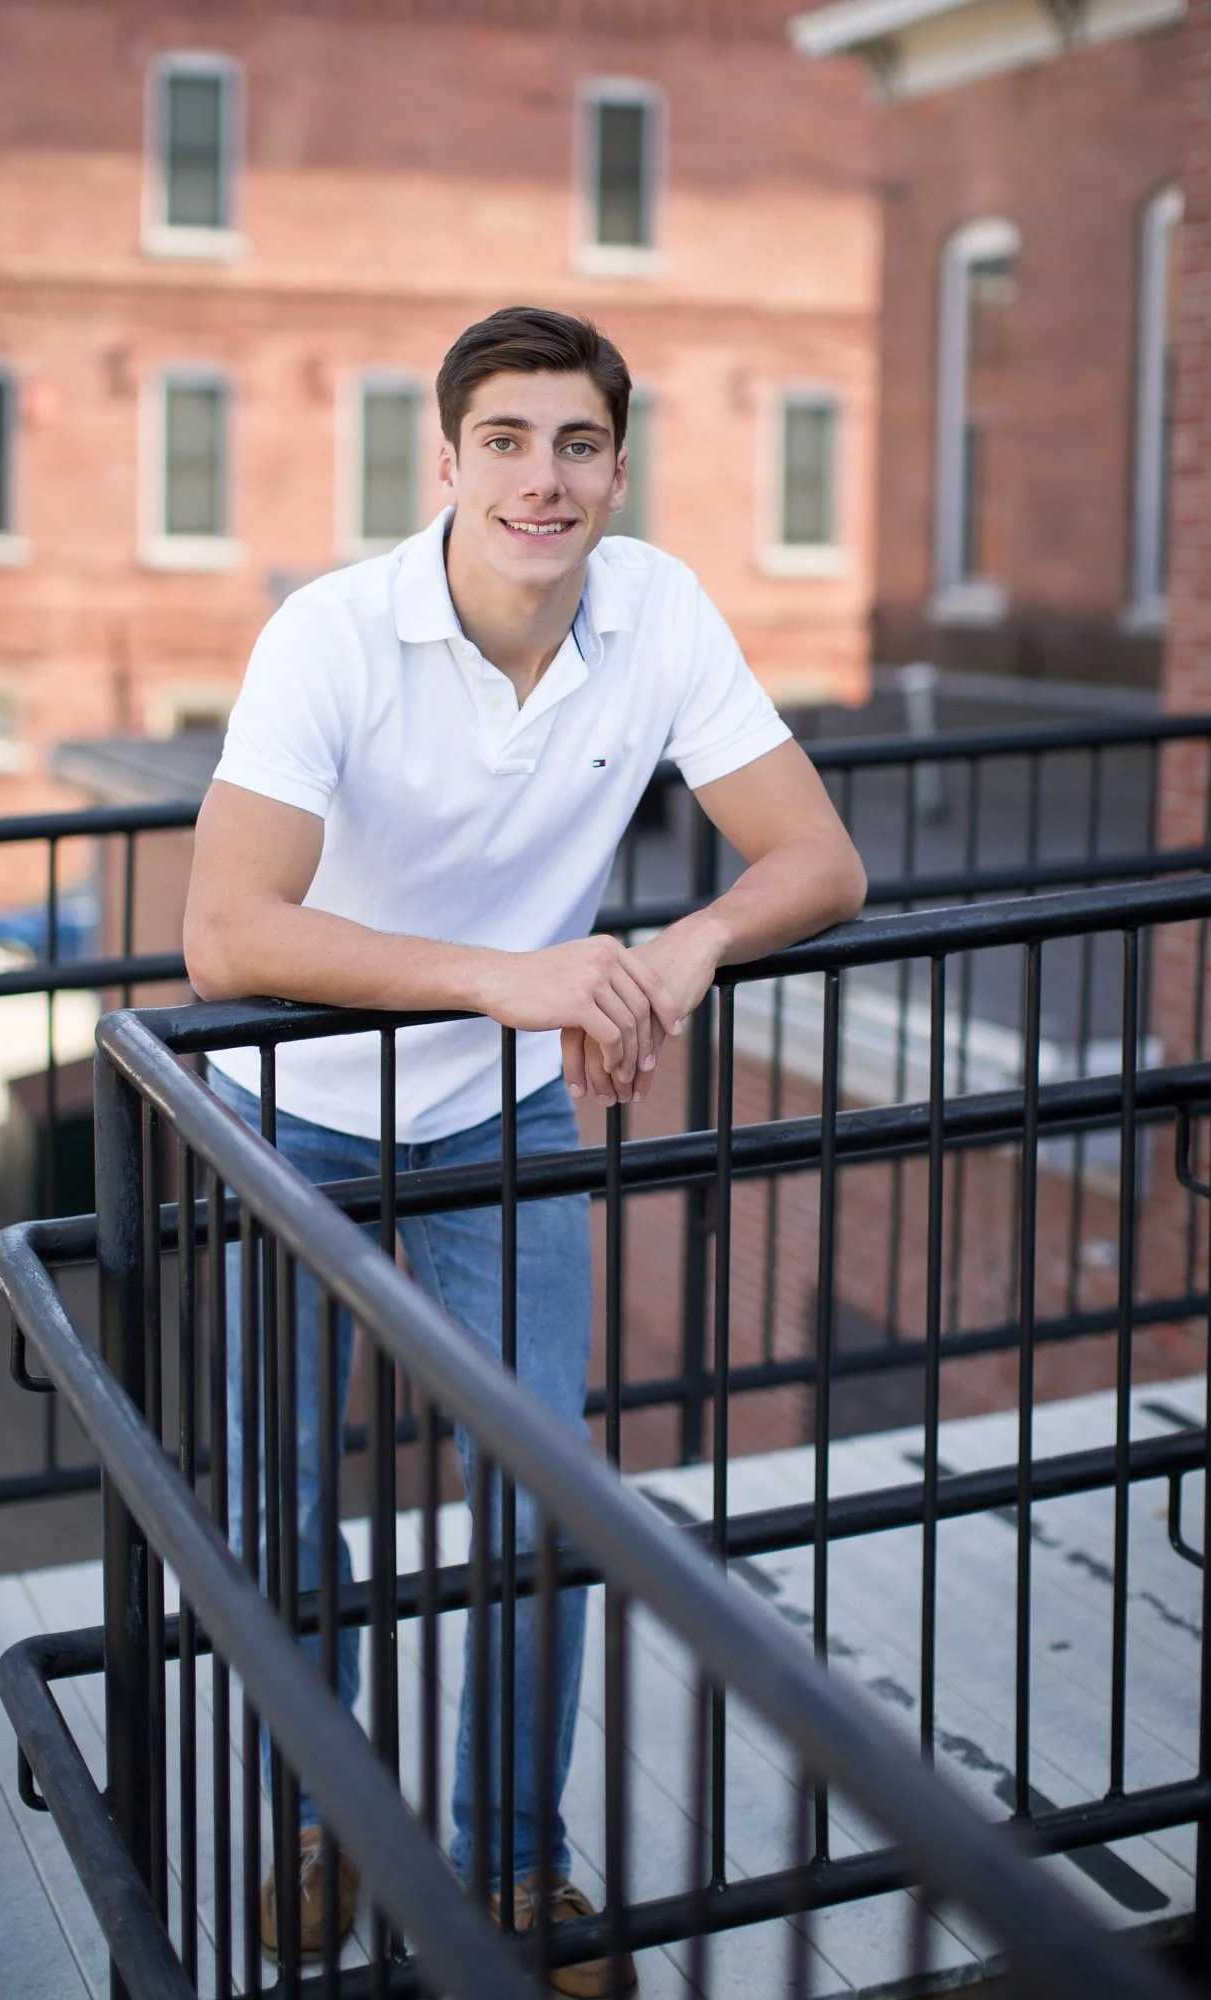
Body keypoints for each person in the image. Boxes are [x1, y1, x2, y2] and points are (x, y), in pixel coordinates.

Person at [183, 304, 866, 1994]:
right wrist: (511, 975)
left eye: (576, 445)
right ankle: (312, 1819)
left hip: (507, 1113)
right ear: (447, 459)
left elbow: (818, 860)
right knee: (275, 1496)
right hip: (295, 1119)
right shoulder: (329, 636)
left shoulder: (659, 612)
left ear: (617, 470)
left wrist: (681, 951)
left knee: (543, 1485)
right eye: (507, 441)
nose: (541, 481)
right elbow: (222, 936)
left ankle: (511, 1862)